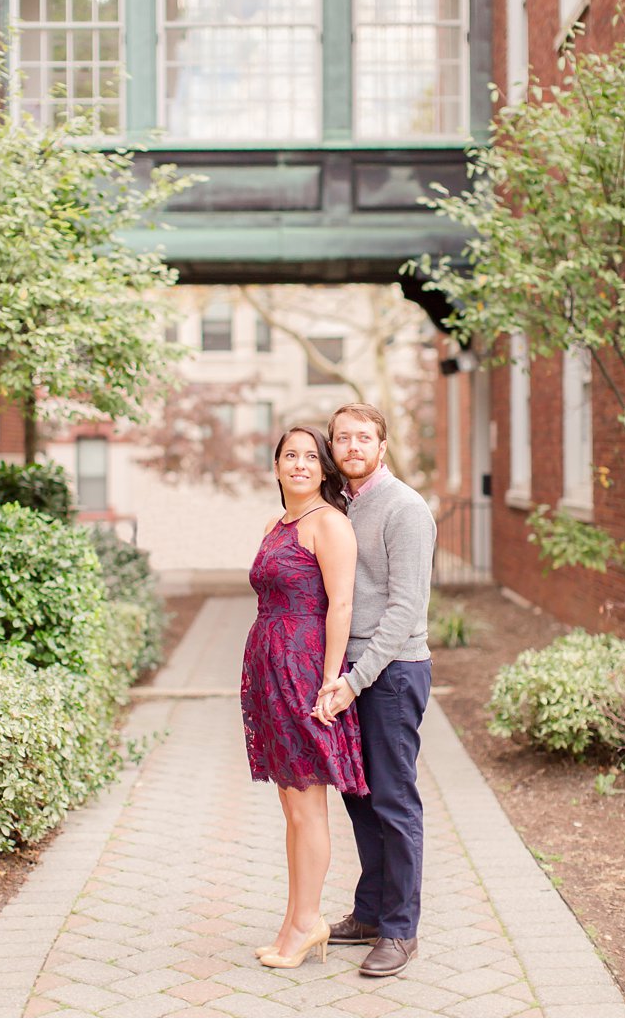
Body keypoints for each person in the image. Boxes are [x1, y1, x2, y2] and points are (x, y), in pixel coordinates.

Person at [314, 402, 435, 977]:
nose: (353, 446)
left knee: (393, 799)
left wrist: (354, 681)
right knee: (359, 798)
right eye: (343, 438)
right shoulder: (340, 506)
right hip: (352, 674)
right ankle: (368, 912)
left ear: (382, 446)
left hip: (390, 673)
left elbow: (404, 609)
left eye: (365, 437)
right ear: (333, 447)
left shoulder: (405, 509)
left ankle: (400, 929)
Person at [241, 425, 368, 970]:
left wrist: (331, 681)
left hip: (303, 673)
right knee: (292, 806)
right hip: (270, 672)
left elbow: (340, 606)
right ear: (275, 467)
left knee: (308, 806)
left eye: (310, 457)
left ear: (323, 470)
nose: (299, 464)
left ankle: (307, 922)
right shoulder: (276, 524)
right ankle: (295, 921)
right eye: (289, 455)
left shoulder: (330, 524)